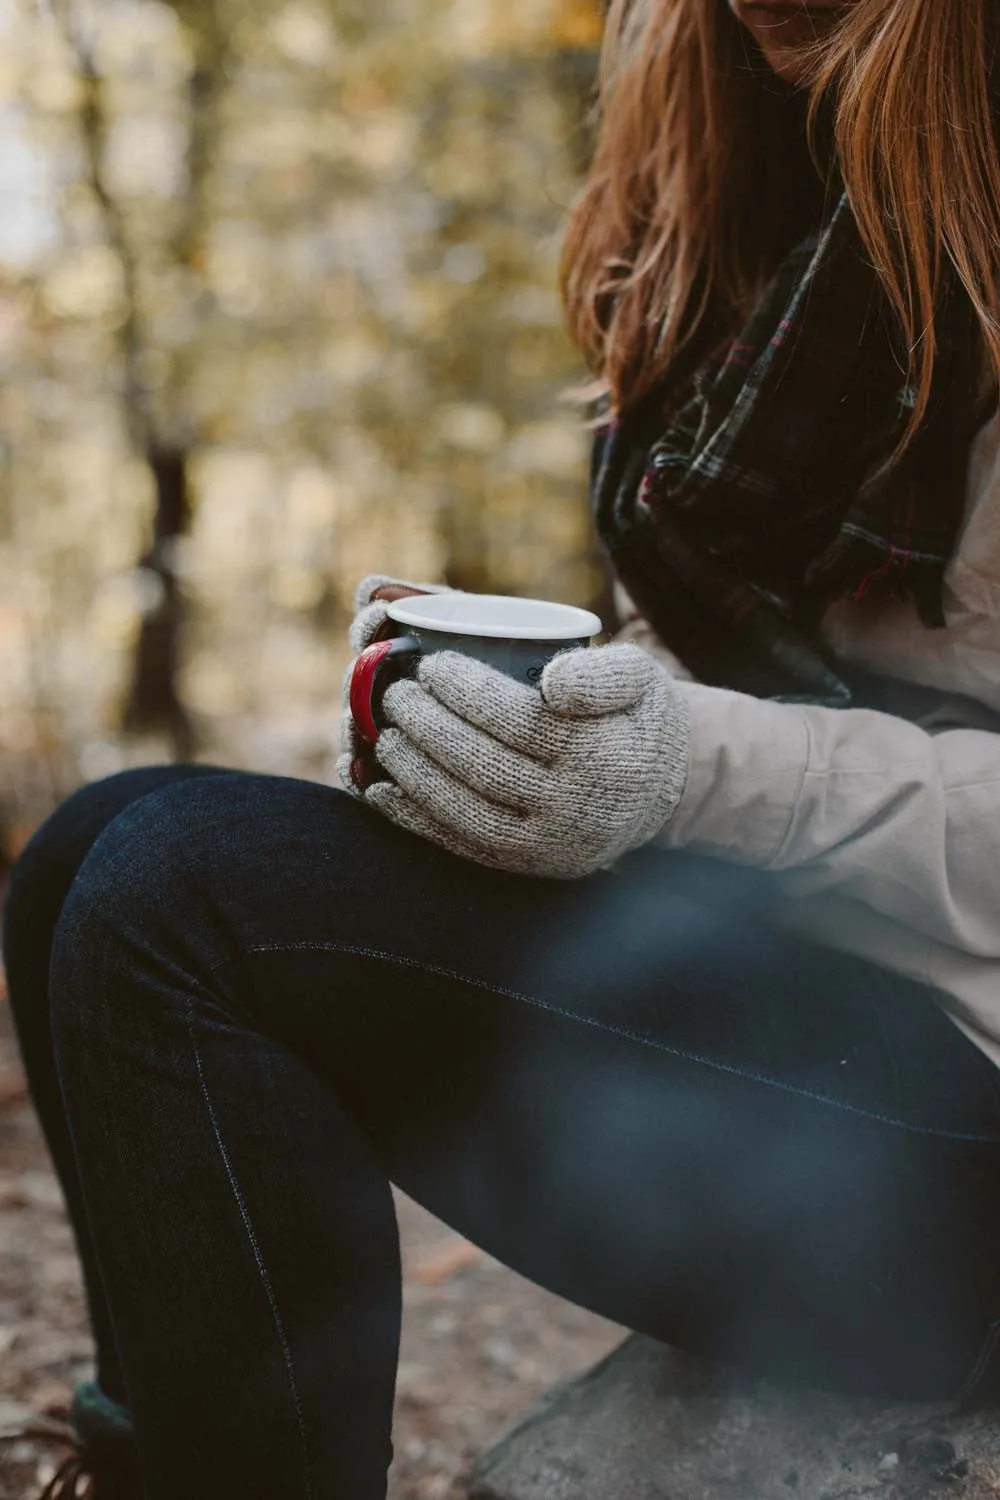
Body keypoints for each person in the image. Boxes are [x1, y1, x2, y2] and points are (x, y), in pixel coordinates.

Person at [4, 1, 1000, 1495]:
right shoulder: (763, 204)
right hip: (803, 996)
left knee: (175, 894)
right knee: (91, 845)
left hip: (959, 1147)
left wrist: (693, 766)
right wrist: (510, 750)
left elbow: (736, 752)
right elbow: (714, 688)